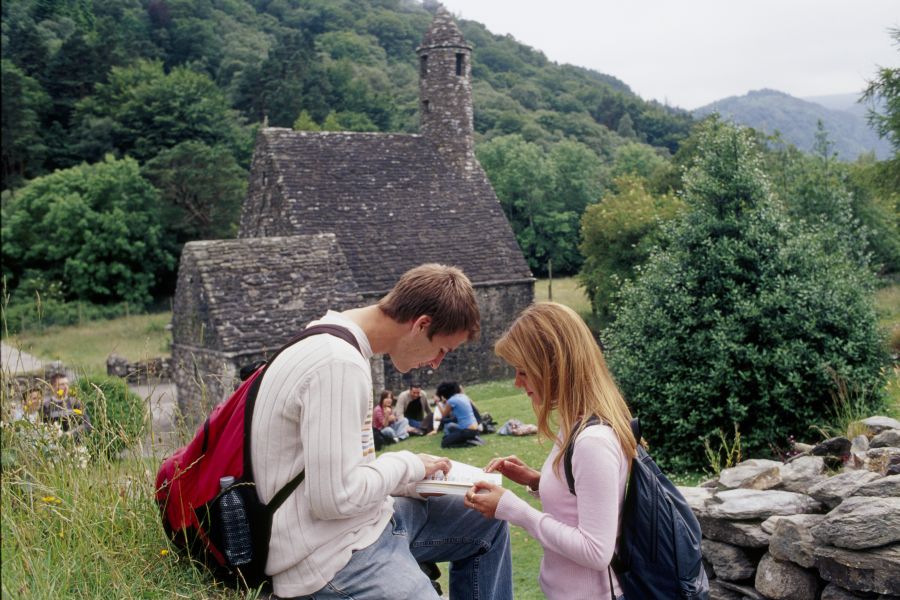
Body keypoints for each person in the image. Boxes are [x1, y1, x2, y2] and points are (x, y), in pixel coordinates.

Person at [250, 263, 512, 600]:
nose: (436, 364)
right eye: (442, 350)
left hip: (364, 523)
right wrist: (409, 464)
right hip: (327, 556)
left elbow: (341, 470)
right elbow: (333, 499)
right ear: (421, 325)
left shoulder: (329, 336)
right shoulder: (338, 365)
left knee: (487, 517)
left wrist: (412, 481)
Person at [463, 302, 638, 600]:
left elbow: (596, 551)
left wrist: (514, 509)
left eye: (523, 371)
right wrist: (534, 481)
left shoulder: (592, 441)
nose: (518, 383)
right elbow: (582, 503)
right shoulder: (577, 425)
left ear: (554, 366)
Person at [434, 381, 482, 448]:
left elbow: (444, 415)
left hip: (467, 431)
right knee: (450, 428)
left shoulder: (451, 401)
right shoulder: (463, 396)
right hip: (475, 428)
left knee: (444, 443)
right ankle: (472, 439)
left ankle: (470, 443)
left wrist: (437, 402)